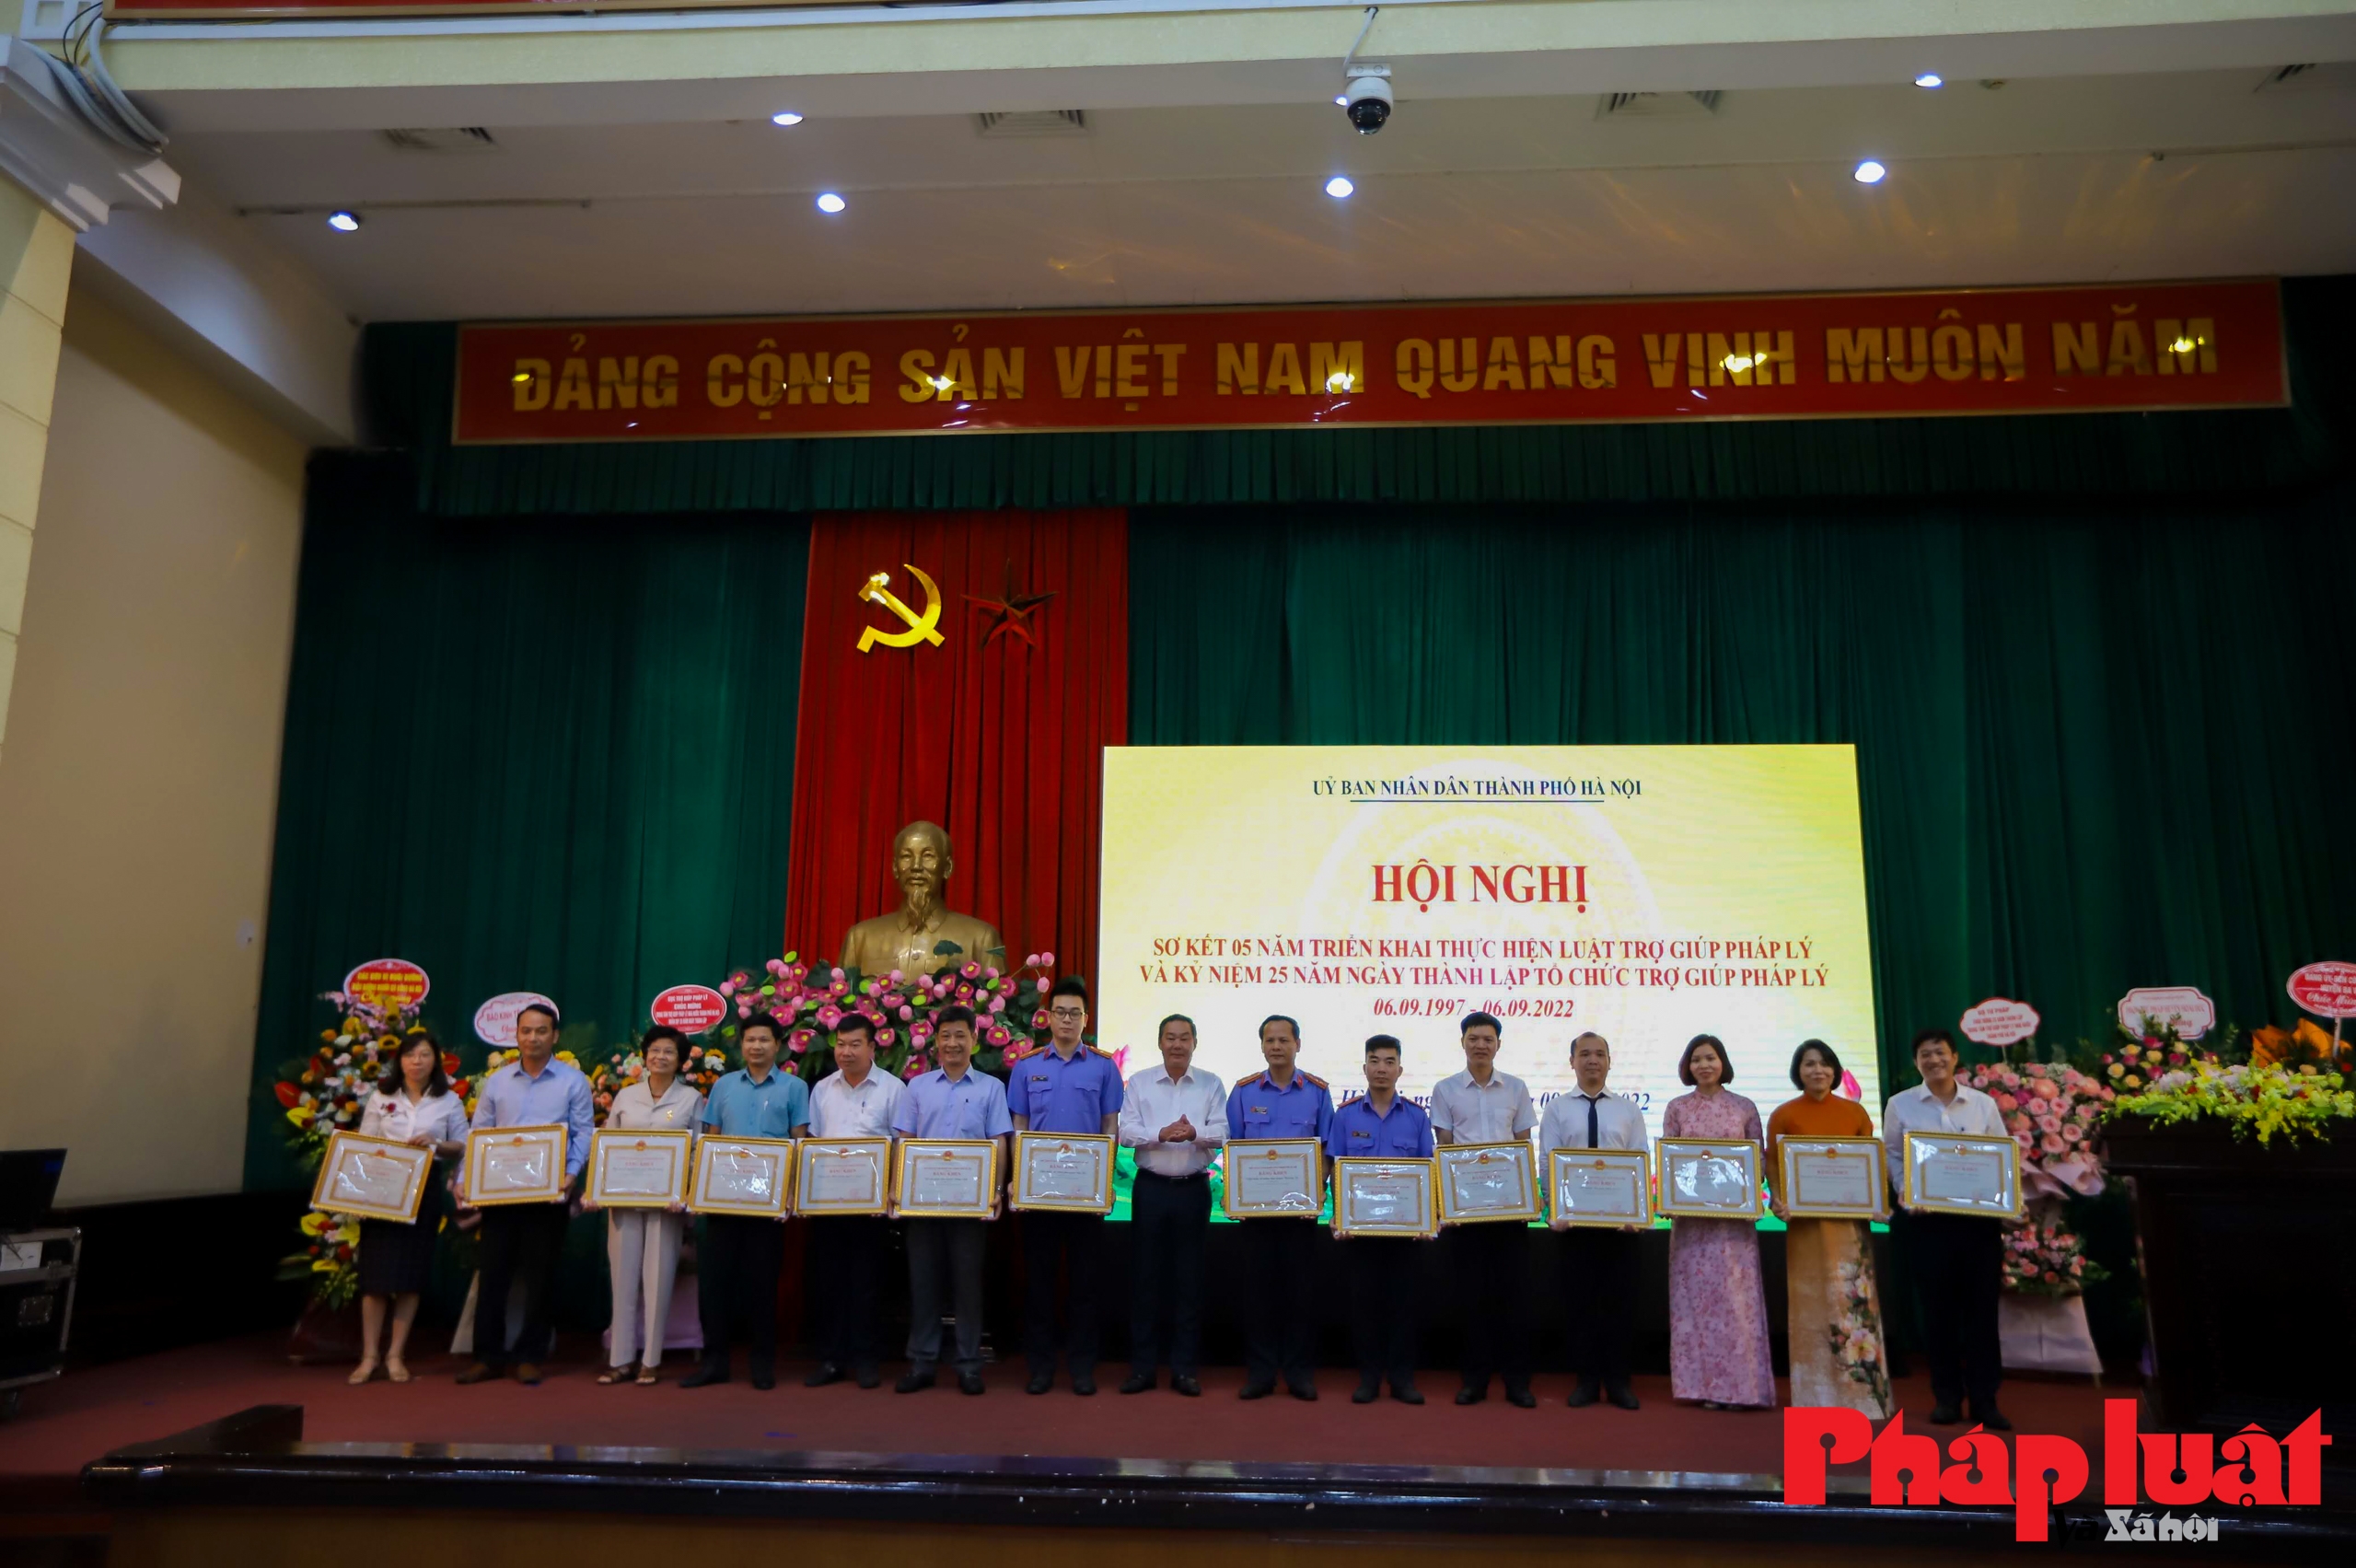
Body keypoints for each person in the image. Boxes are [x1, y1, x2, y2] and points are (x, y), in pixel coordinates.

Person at [457, 1002, 594, 1387]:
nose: (533, 1038)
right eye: (526, 1031)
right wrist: (466, 1177)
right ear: (516, 1035)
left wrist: (571, 1173)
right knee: (493, 1276)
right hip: (500, 1193)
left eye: (541, 1031)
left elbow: (584, 1131)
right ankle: (488, 1357)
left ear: (555, 1036)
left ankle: (531, 1356)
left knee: (541, 1278)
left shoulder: (572, 1081)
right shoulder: (498, 1082)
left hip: (548, 1194)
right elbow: (479, 1133)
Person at [1883, 1027, 2011, 1430]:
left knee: (1982, 1314)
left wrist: (2001, 1197)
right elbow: (1892, 1154)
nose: (1933, 1060)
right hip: (1927, 1223)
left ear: (1955, 1057)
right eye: (1925, 1054)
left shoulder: (1982, 1104)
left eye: (1940, 1052)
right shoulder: (1900, 1104)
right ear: (1916, 1062)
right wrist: (1906, 1190)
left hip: (1978, 1225)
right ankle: (1947, 1398)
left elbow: (2001, 1154)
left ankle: (1986, 1401)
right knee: (1938, 1314)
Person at [1004, 975, 1123, 1395]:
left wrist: (1104, 1180)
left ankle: (1082, 1367)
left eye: (1075, 1013)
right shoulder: (1027, 1066)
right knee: (1039, 1284)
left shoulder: (1104, 1067)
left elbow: (1110, 1127)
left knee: (1084, 1285)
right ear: (1048, 1017)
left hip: (1085, 1194)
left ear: (1086, 1019)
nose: (1067, 1020)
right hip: (1039, 1193)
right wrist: (1019, 1179)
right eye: (1060, 1012)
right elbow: (1019, 1126)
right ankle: (1040, 1367)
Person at [680, 1012, 809, 1391]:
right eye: (750, 1040)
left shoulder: (795, 1087)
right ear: (741, 1045)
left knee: (762, 1287)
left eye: (764, 1040)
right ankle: (715, 1363)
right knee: (715, 1286)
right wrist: (700, 1190)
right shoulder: (723, 1086)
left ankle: (762, 1364)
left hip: (769, 1204)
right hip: (723, 1200)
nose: (756, 1046)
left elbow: (799, 1143)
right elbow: (711, 1140)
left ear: (778, 1045)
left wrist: (790, 1193)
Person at [1766, 1040, 1894, 1417]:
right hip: (1805, 1230)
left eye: (1824, 1064)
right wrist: (1778, 1199)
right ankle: (1814, 1395)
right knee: (1811, 1305)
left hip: (1850, 1229)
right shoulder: (1784, 1115)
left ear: (1835, 1071)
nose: (1817, 1070)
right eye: (1808, 1064)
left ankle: (1864, 1397)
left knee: (1854, 1304)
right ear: (1798, 1071)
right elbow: (1773, 1164)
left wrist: (1877, 1203)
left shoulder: (1855, 1113)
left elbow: (1869, 1163)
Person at [891, 1005, 1012, 1396]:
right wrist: (897, 1186)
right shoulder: (917, 1087)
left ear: (975, 1039)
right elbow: (904, 1140)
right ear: (936, 1041)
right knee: (923, 1282)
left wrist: (996, 1191)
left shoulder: (991, 1088)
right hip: (922, 1203)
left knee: (967, 1286)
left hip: (970, 1204)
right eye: (946, 1036)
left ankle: (969, 1364)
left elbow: (999, 1142)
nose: (953, 1043)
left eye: (961, 1035)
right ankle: (922, 1362)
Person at [1429, 1010, 1538, 1408]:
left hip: (1510, 1209)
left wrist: (1527, 1196)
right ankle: (1474, 1380)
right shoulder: (1445, 1089)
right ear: (1463, 1042)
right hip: (1466, 1210)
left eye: (1487, 1039)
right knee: (1471, 1298)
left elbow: (1524, 1145)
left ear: (1498, 1045)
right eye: (1473, 1038)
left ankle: (1517, 1381)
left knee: (1513, 1297)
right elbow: (1444, 1146)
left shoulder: (1516, 1088)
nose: (1480, 1045)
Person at [1661, 1034, 1776, 1410]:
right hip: (1691, 1226)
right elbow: (1669, 1160)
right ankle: (1701, 1388)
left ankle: (1742, 1390)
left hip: (1732, 1225)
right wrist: (1671, 1196)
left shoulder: (1744, 1107)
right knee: (1694, 1306)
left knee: (1736, 1305)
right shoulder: (1677, 1108)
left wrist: (1738, 1188)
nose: (1704, 1065)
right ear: (1687, 1066)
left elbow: (1757, 1162)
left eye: (1710, 1058)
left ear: (1722, 1062)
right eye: (1696, 1059)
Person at [582, 1026, 702, 1387]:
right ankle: (620, 1359)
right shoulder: (626, 1095)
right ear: (645, 1056)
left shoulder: (691, 1098)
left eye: (669, 1051)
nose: (660, 1057)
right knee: (623, 1279)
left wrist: (685, 1193)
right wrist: (596, 1189)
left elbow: (697, 1151)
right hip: (624, 1200)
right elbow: (606, 1146)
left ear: (681, 1060)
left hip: (667, 1204)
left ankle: (651, 1359)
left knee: (659, 1279)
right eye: (654, 1050)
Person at [1116, 1013, 1226, 1397]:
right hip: (1151, 1190)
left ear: (1194, 1043)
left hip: (1194, 1190)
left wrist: (1195, 1133)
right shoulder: (1140, 1083)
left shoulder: (1211, 1084)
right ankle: (1142, 1370)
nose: (1177, 1044)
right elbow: (1126, 1133)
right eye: (1170, 1037)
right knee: (1145, 1280)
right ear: (1160, 1042)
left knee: (1189, 1282)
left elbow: (1223, 1133)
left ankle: (1184, 1371)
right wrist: (1160, 1134)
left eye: (1184, 1038)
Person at [1226, 1014, 1334, 1400]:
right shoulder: (1243, 1092)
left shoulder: (1317, 1093)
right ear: (1261, 1046)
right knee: (1258, 1296)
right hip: (1257, 1215)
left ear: (1297, 1045)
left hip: (1299, 1215)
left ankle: (1299, 1373)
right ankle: (1260, 1373)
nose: (1276, 1046)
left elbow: (1327, 1152)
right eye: (1269, 1040)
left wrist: (1316, 1192)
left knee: (1300, 1296)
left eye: (1283, 1040)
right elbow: (1233, 1149)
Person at [351, 1031, 468, 1386]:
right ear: (399, 1060)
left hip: (424, 1189)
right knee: (374, 1280)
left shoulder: (449, 1100)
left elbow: (463, 1145)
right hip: (382, 1188)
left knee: (410, 1278)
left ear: (436, 1061)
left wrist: (436, 1143)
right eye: (410, 1054)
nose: (417, 1061)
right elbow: (364, 1145)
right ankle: (369, 1356)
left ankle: (395, 1355)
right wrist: (357, 1195)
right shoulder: (381, 1097)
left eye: (425, 1054)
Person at [1538, 1030, 1647, 1410]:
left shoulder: (1628, 1110)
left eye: (1599, 1054)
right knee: (1580, 1306)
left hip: (1620, 1227)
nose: (1592, 1060)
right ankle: (1585, 1381)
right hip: (1574, 1226)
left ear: (1609, 1062)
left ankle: (1618, 1382)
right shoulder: (1557, 1109)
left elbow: (1639, 1160)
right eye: (1584, 1054)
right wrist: (1554, 1210)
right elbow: (1547, 1161)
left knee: (1620, 1306)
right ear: (1572, 1062)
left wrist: (1637, 1213)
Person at [1326, 1034, 1435, 1405]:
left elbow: (1427, 1172)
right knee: (1365, 1308)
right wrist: (1340, 1217)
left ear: (1400, 1070)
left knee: (1404, 1308)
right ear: (1364, 1068)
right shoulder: (1346, 1116)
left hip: (1405, 1233)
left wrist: (1426, 1220)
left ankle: (1402, 1379)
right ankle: (1369, 1378)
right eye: (1374, 1061)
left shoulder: (1417, 1117)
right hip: (1361, 1232)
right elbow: (1337, 1170)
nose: (1381, 1069)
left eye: (1389, 1062)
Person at [804, 1013, 904, 1389]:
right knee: (829, 1283)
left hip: (872, 1207)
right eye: (841, 1045)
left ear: (872, 1047)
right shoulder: (822, 1089)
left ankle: (866, 1359)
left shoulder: (893, 1089)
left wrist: (892, 1191)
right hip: (829, 1205)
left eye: (855, 1044)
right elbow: (813, 1144)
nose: (846, 1052)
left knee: (867, 1283)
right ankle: (831, 1359)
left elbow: (901, 1146)